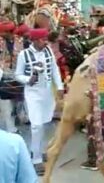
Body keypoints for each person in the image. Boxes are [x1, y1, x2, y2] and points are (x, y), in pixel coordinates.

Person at [15, 28, 64, 176]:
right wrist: (28, 79)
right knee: (36, 126)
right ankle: (36, 159)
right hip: (32, 93)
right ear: (35, 40)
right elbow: (18, 74)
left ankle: (38, 150)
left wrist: (60, 86)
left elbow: (54, 69)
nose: (46, 42)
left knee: (43, 123)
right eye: (43, 40)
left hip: (47, 93)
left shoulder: (48, 50)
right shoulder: (24, 55)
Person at [0, 21, 24, 133]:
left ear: (8, 32)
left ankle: (17, 118)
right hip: (3, 75)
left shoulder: (19, 41)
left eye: (3, 32)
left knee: (17, 101)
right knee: (6, 104)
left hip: (17, 74)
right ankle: (11, 129)